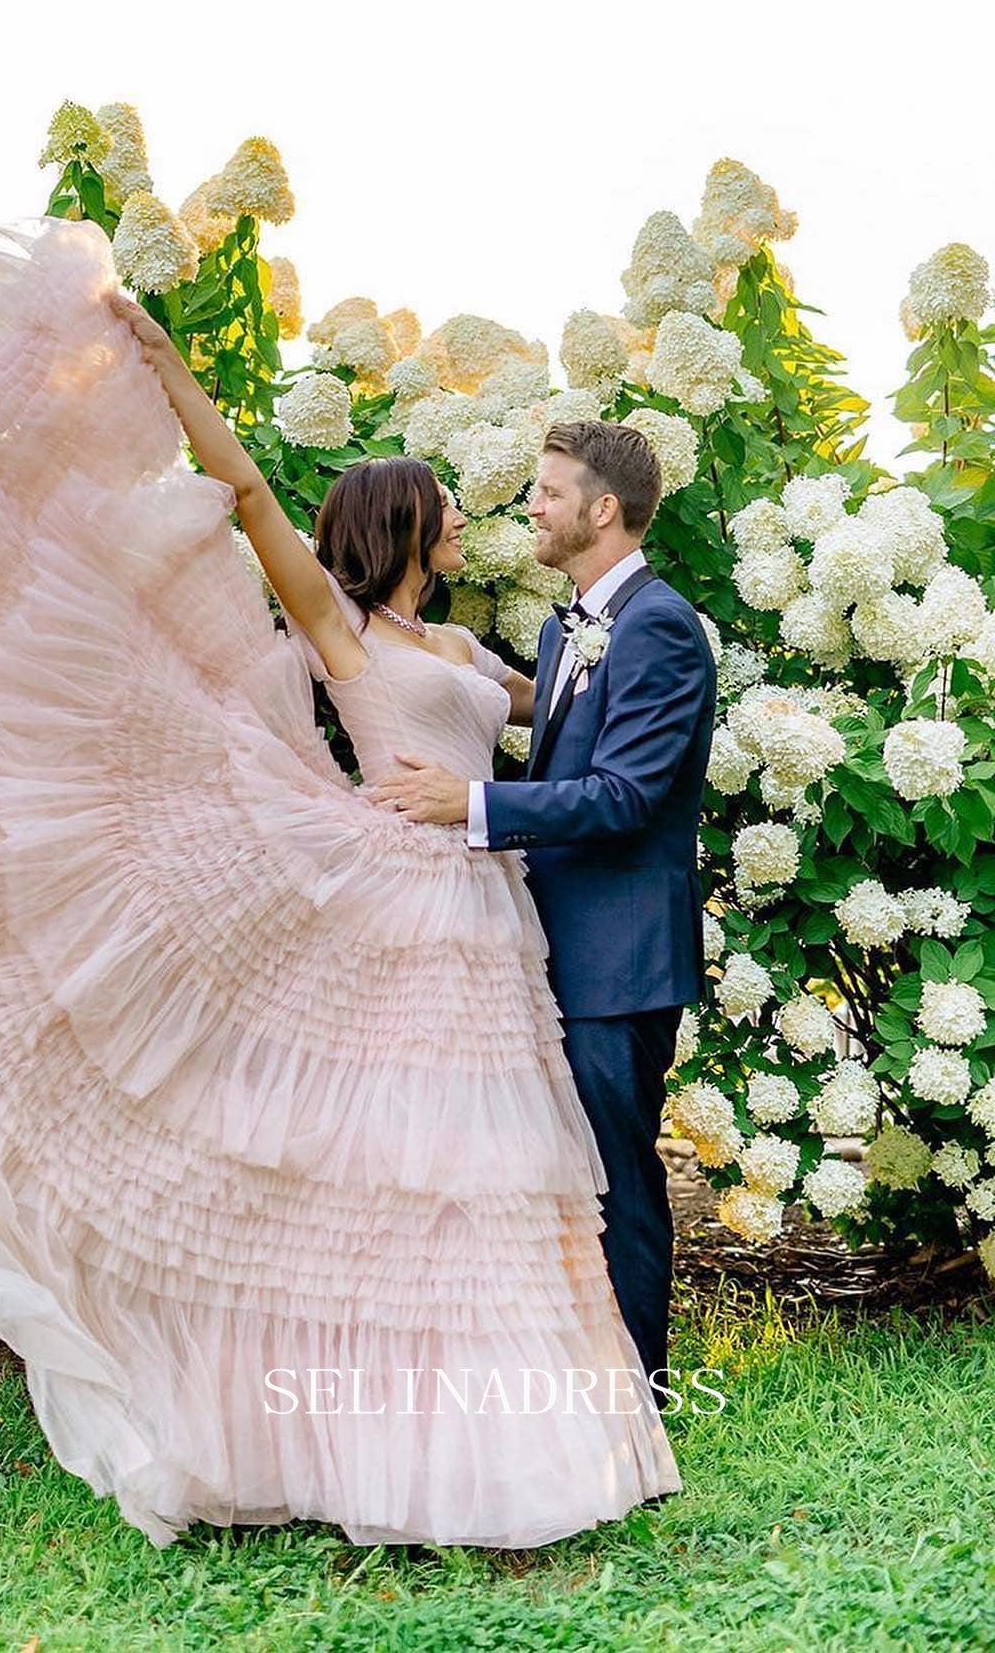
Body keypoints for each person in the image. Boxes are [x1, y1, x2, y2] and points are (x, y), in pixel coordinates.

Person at [0, 216, 680, 1550]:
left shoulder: (467, 639)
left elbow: (576, 713)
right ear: (404, 520)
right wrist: (166, 371)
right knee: (369, 1166)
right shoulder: (336, 626)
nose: (473, 514)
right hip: (386, 892)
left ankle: (505, 1446)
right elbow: (249, 495)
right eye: (449, 506)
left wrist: (652, 660)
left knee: (475, 1175)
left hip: (477, 909)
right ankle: (353, 1447)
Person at [369, 420, 718, 1394]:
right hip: (547, 943)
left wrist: (469, 804)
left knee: (617, 1174)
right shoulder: (569, 626)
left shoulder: (660, 626)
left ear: (603, 509)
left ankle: (636, 1397)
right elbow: (561, 751)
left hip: (621, 958)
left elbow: (623, 796)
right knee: (561, 1178)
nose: (531, 504)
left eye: (550, 490)